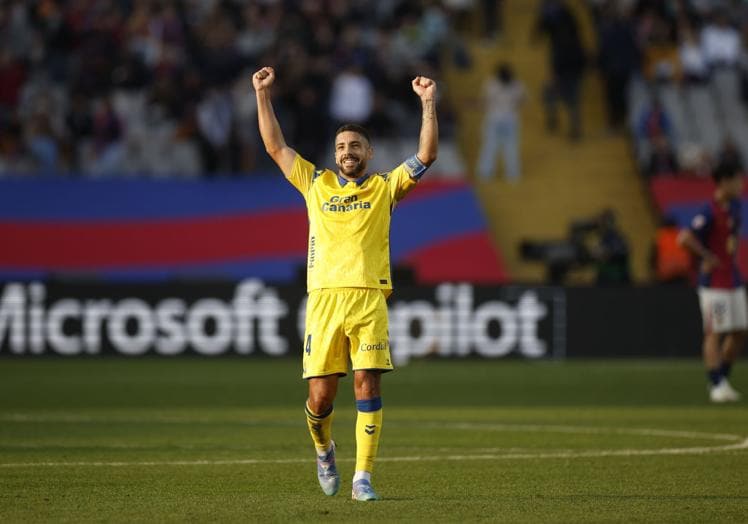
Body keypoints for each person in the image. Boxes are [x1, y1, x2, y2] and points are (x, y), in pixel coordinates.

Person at [253, 66, 438, 500]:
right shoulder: (315, 183)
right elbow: (275, 146)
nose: (347, 151)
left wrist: (428, 102)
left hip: (369, 298)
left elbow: (427, 154)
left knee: (367, 385)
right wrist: (262, 95)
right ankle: (324, 450)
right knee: (320, 400)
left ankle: (363, 478)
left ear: (369, 153)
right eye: (341, 146)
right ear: (335, 155)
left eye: (355, 145)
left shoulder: (384, 187)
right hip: (324, 302)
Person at [678, 164, 746, 403]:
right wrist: (707, 257)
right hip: (714, 284)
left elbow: (731, 238)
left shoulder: (735, 207)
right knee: (714, 331)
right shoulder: (708, 211)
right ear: (723, 183)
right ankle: (716, 383)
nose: (741, 185)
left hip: (733, 279)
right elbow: (684, 238)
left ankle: (722, 379)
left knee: (740, 331)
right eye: (737, 181)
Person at [476, 63, 524, 182]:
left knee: (491, 146)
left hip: (495, 119)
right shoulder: (516, 84)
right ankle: (512, 173)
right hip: (509, 119)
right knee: (509, 146)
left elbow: (484, 101)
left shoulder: (491, 84)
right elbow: (522, 100)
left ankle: (485, 173)